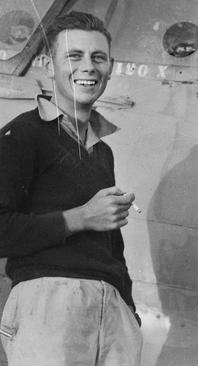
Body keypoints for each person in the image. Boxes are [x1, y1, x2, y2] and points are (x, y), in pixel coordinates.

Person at [0, 11, 142, 365]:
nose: (88, 67)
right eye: (73, 56)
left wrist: (130, 312)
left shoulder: (102, 150)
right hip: (49, 304)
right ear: (49, 64)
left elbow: (112, 245)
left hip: (112, 312)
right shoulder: (23, 133)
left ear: (110, 67)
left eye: (98, 58)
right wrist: (80, 217)